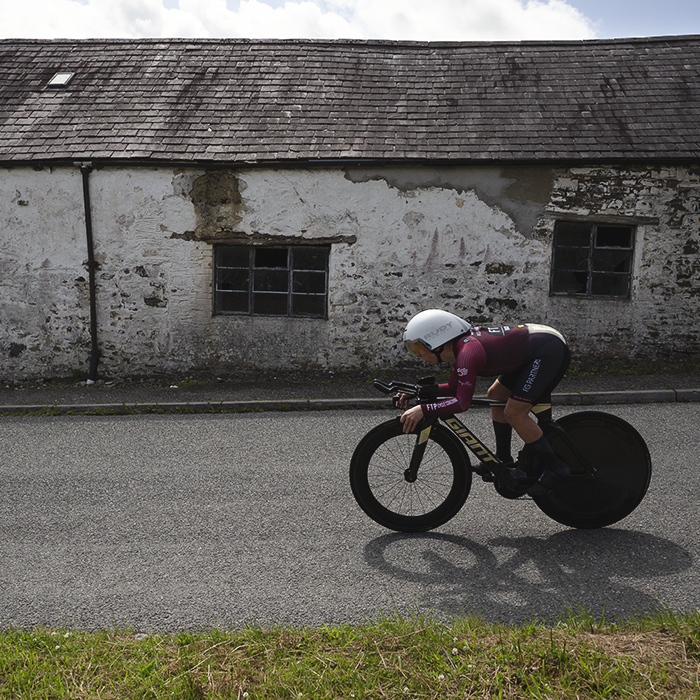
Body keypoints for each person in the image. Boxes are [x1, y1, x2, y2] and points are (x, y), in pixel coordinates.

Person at [399, 309, 571, 496]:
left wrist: (424, 409)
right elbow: (452, 387)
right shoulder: (460, 348)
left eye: (420, 350)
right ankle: (503, 460)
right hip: (533, 348)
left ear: (437, 342)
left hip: (548, 351)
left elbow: (461, 403)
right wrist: (417, 392)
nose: (420, 357)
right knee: (495, 394)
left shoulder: (467, 353)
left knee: (514, 412)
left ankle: (556, 467)